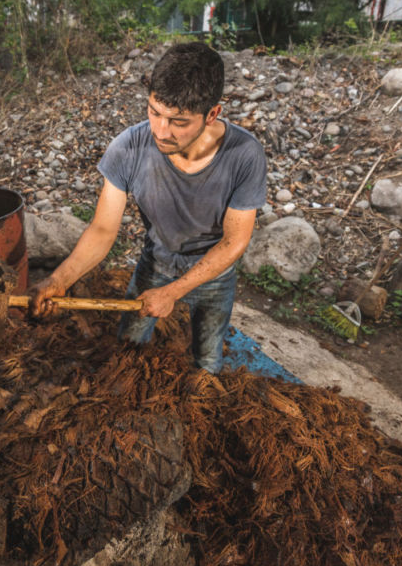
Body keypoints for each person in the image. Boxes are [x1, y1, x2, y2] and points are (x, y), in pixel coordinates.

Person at [31, 42, 268, 373]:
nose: (161, 131)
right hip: (155, 265)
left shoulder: (245, 155)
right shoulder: (128, 147)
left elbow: (234, 242)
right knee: (127, 349)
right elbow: (102, 229)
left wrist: (174, 292)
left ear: (212, 113)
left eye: (178, 121)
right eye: (154, 112)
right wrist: (59, 279)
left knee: (208, 363)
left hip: (213, 273)